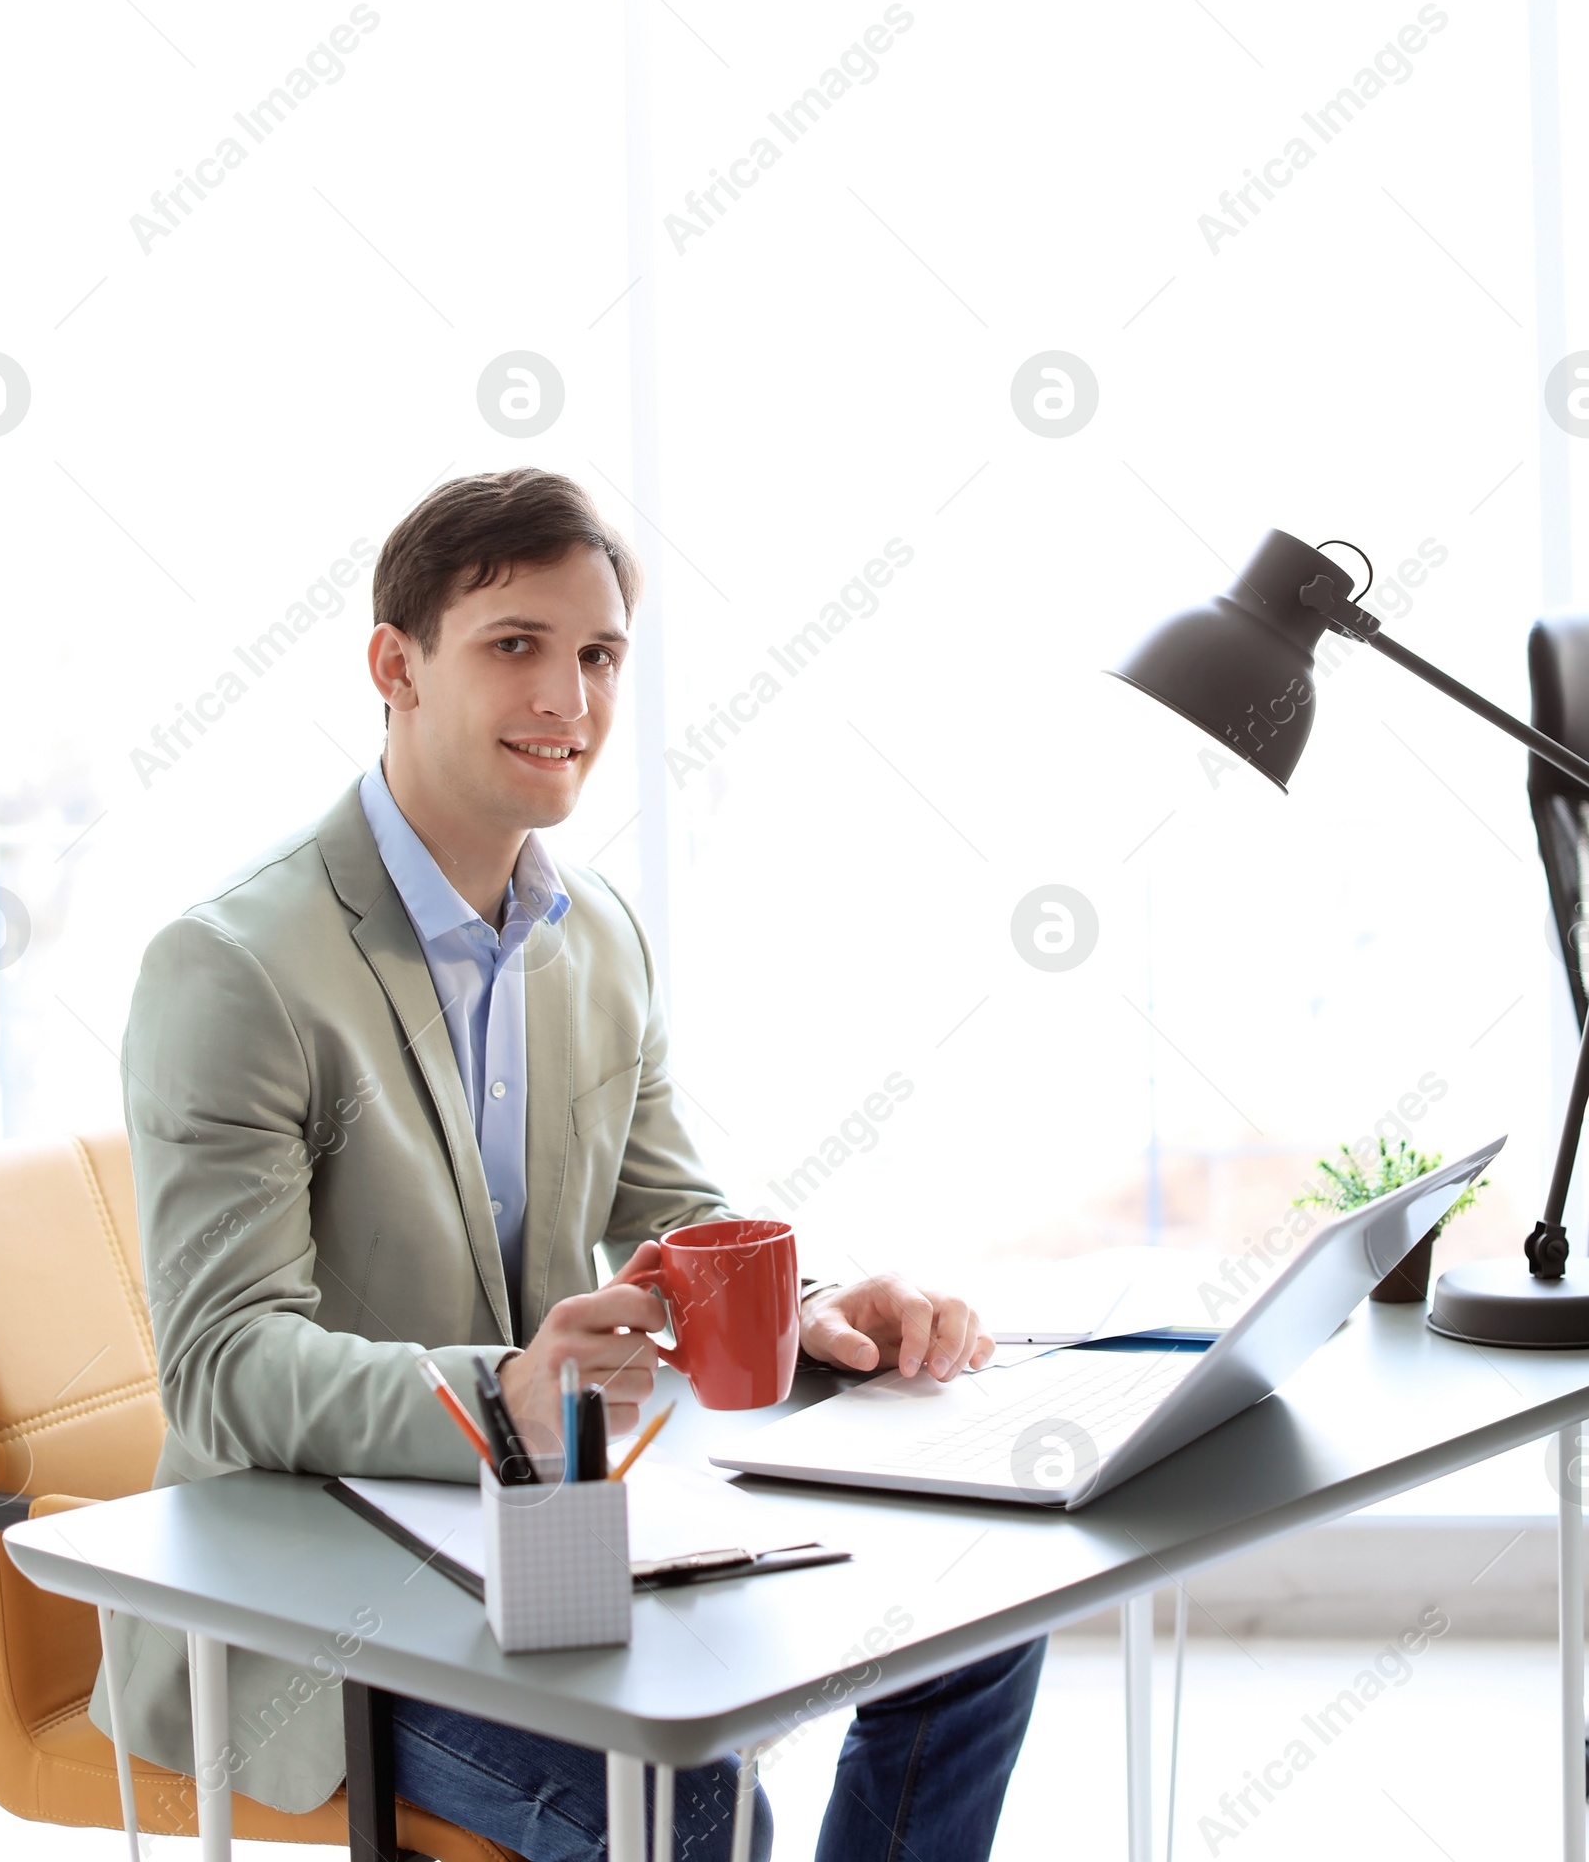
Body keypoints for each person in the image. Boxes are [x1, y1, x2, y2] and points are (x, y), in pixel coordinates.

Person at [91, 468, 1043, 1859]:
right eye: (514, 647)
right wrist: (511, 1397)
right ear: (394, 667)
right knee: (694, 1800)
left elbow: (674, 1217)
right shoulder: (233, 969)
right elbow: (224, 1369)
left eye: (597, 654)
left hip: (554, 1547)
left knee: (983, 1626)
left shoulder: (594, 934)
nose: (570, 700)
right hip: (315, 1607)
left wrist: (820, 1305)